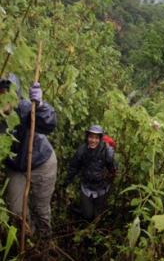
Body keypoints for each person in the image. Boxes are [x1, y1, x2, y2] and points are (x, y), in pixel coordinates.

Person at [0, 74, 57, 238]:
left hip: (42, 162)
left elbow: (49, 123)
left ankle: (45, 240)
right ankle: (29, 238)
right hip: (16, 166)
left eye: (8, 92)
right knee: (16, 210)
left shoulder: (25, 108)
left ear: (16, 95)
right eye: (1, 92)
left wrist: (40, 105)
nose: (5, 97)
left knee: (41, 207)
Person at [65, 125, 117, 221]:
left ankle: (94, 229)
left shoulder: (106, 150)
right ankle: (80, 213)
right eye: (91, 137)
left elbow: (114, 170)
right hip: (86, 186)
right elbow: (73, 167)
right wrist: (66, 182)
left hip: (102, 187)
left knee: (98, 216)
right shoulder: (82, 150)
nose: (93, 140)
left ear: (100, 139)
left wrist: (111, 158)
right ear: (87, 137)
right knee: (87, 215)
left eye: (96, 138)